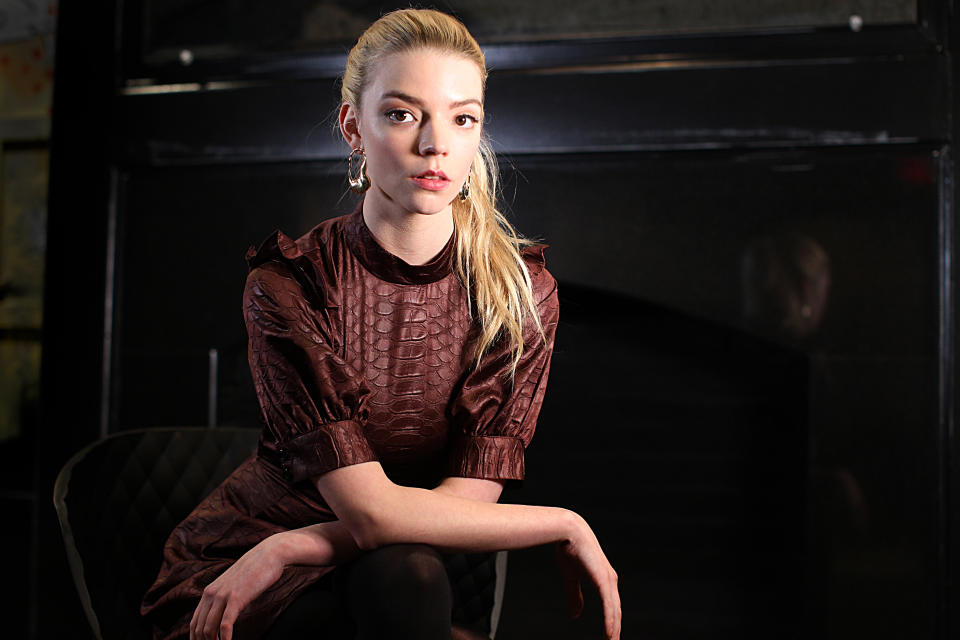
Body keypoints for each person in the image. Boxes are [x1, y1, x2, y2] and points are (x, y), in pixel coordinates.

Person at [141, 8, 620, 640]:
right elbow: (369, 515)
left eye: (462, 117)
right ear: (352, 128)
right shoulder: (290, 284)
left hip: (371, 563)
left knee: (407, 576)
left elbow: (460, 505)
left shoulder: (521, 294)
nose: (434, 145)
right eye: (402, 114)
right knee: (395, 588)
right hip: (245, 570)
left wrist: (293, 547)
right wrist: (564, 522)